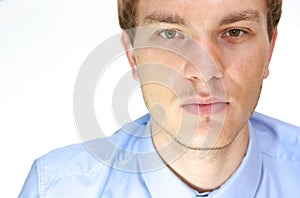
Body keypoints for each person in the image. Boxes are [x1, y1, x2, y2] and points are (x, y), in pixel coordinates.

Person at [20, 0, 300, 197]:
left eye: (234, 32)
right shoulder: (55, 190)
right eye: (170, 34)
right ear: (132, 55)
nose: (204, 72)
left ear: (270, 49)